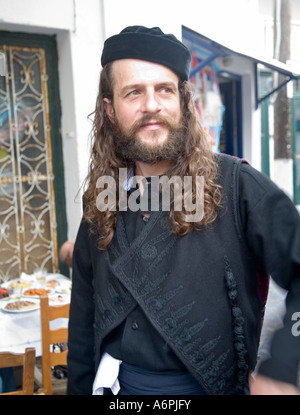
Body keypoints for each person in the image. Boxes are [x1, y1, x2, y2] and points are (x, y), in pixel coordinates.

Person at [67, 26, 300, 395]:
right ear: (109, 110)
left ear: (183, 100)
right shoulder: (103, 198)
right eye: (134, 93)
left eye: (164, 89)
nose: (152, 105)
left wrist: (284, 365)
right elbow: (82, 316)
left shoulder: (237, 186)